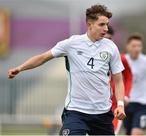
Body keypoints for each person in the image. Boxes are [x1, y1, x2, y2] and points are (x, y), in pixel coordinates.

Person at [8, 5, 126, 135]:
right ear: (89, 24)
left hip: (102, 113)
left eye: (107, 24)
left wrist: (120, 104)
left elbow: (119, 80)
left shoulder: (111, 47)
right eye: (101, 24)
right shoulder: (72, 44)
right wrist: (20, 68)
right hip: (76, 112)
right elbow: (43, 57)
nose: (106, 29)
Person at [104, 25, 133, 134]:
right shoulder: (91, 57)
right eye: (105, 39)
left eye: (110, 39)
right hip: (98, 105)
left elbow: (129, 77)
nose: (107, 42)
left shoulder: (120, 58)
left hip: (115, 106)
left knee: (112, 133)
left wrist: (126, 96)